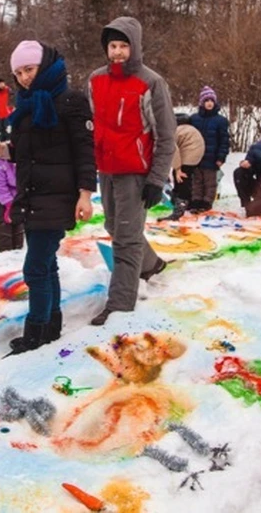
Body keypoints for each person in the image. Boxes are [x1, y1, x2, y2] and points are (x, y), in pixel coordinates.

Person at [0, 40, 95, 354]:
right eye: (18, 72)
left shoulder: (71, 102)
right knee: (46, 267)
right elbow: (22, 152)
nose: (23, 77)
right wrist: (0, 149)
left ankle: (35, 333)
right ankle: (51, 325)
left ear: (44, 66)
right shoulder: (27, 106)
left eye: (29, 69)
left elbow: (86, 152)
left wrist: (85, 195)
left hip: (58, 196)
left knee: (34, 268)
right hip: (31, 196)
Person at [88, 16, 175, 326]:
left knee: (125, 238)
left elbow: (166, 135)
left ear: (134, 47)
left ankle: (120, 305)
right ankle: (151, 265)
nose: (117, 52)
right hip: (107, 169)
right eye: (113, 46)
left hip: (136, 173)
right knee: (115, 226)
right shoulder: (96, 79)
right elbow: (94, 124)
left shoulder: (151, 82)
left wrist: (156, 179)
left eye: (124, 46)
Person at [188, 85, 230, 212]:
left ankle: (207, 202)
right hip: (196, 157)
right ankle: (196, 200)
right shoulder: (194, 119)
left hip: (212, 157)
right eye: (206, 101)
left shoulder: (220, 121)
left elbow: (224, 141)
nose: (209, 103)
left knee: (210, 182)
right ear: (202, 103)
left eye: (212, 100)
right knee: (197, 181)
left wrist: (221, 156)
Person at [160, 113, 204, 221]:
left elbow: (173, 150)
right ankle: (181, 202)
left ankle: (178, 210)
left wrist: (178, 168)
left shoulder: (174, 132)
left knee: (182, 180)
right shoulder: (190, 129)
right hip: (197, 155)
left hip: (188, 156)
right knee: (183, 179)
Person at [0, 153, 24, 252]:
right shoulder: (2, 162)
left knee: (18, 223)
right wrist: (9, 204)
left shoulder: (25, 159)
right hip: (3, 199)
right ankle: (5, 250)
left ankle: (18, 249)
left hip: (19, 198)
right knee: (4, 224)